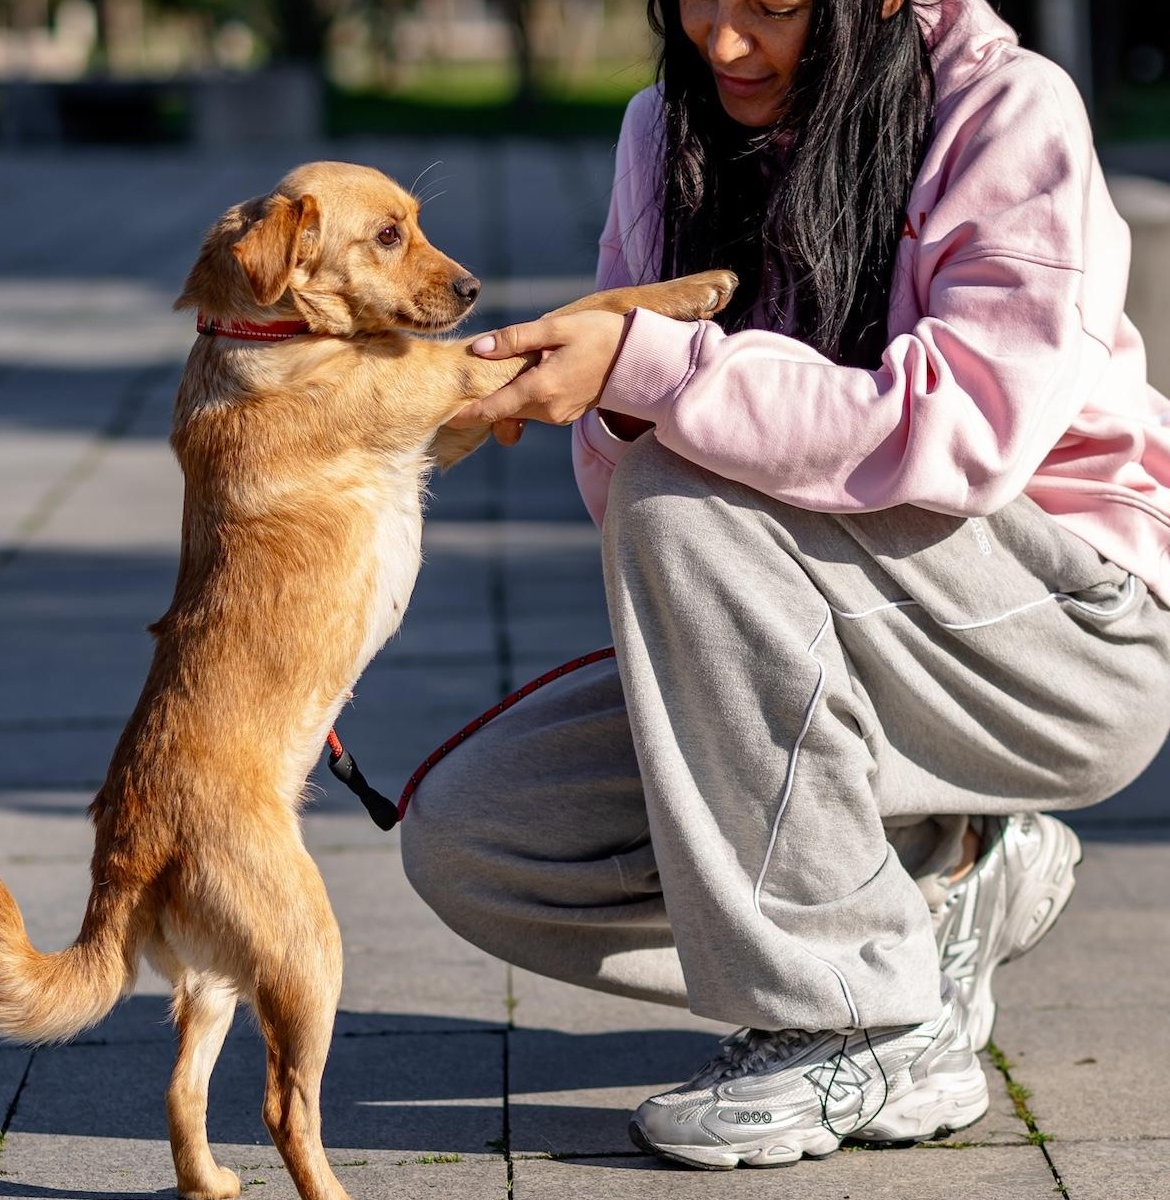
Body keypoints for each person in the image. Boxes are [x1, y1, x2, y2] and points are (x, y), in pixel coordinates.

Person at [400, 0, 1170, 1170]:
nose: (723, 44)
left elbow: (968, 434)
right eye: (700, 0)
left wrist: (661, 373)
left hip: (1070, 635)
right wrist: (611, 394)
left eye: (772, 6)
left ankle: (859, 1019)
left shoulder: (1006, 111)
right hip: (853, 629)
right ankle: (944, 883)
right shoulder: (664, 131)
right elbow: (626, 499)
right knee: (478, 836)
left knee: (682, 485)